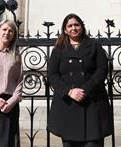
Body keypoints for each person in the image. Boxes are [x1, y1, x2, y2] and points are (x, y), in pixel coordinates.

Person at [48, 13, 113, 147]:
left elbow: (101, 70)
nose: (73, 28)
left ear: (82, 27)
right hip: (68, 104)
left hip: (92, 104)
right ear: (65, 30)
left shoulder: (94, 45)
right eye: (70, 26)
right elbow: (53, 74)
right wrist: (69, 91)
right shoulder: (59, 49)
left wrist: (85, 90)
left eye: (76, 25)